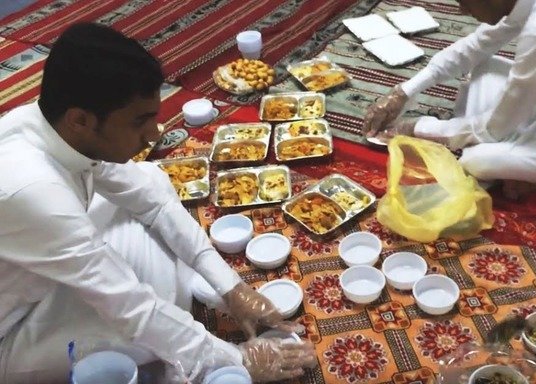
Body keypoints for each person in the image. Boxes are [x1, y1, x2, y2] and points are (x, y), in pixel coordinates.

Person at [0, 23, 315, 383]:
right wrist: (237, 360)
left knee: (149, 182)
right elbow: (131, 307)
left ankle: (192, 313)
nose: (154, 134)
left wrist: (231, 287)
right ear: (80, 121)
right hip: (11, 336)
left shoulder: (49, 126)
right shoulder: (33, 189)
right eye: (140, 122)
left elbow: (150, 199)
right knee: (142, 330)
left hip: (45, 278)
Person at [363, 0, 536, 198]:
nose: (462, 11)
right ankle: (531, 163)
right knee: (484, 68)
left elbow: (493, 130)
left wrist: (418, 128)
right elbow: (475, 47)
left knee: (477, 161)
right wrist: (403, 92)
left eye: (464, 1)